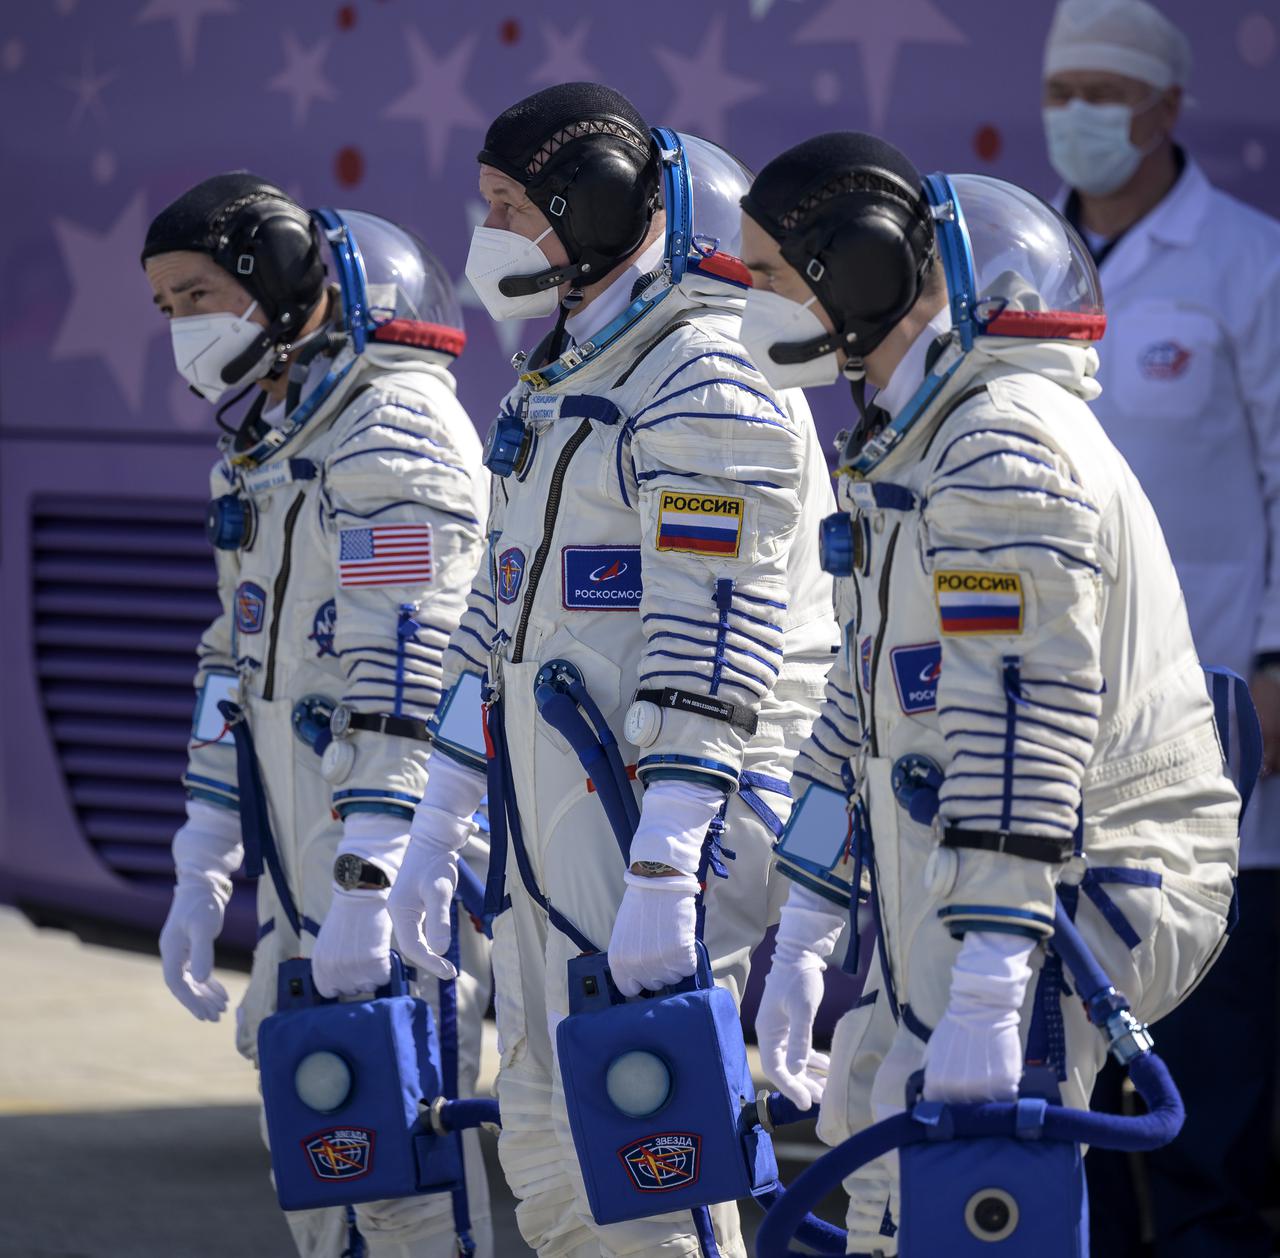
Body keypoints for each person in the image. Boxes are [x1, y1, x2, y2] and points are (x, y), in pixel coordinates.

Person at [736, 131, 1242, 1253]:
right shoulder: (917, 443)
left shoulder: (1001, 445)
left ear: (853, 273)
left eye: (764, 274)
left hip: (1065, 892)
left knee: (955, 1206)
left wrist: (991, 979)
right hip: (984, 881)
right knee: (881, 1167)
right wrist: (808, 920)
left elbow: (1024, 719)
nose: (745, 304)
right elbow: (856, 714)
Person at [387, 82, 839, 1258]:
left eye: (506, 206)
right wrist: (432, 820)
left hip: (655, 823)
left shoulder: (707, 379)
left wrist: (666, 858)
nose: (484, 237)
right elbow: (496, 612)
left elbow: (717, 635)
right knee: (548, 1151)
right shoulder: (569, 382)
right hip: (567, 820)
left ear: (586, 206)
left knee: (649, 1176)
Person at [143, 174, 494, 1258]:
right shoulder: (273, 439)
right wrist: (203, 853)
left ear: (275, 285)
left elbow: (409, 667)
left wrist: (372, 880)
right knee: (324, 1179)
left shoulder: (394, 429)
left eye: (197, 294)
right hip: (307, 873)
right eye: (164, 308)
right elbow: (230, 659)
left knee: (405, 1182)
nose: (183, 329)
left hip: (381, 877)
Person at [1038, 2, 1280, 1252]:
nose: (1072, 115)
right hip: (1044, 745)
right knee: (1056, 1128)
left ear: (1167, 106)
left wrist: (1278, 665)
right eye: (1057, 89)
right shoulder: (1014, 266)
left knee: (1204, 1138)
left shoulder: (1249, 265)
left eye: (1101, 91)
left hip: (1223, 746)